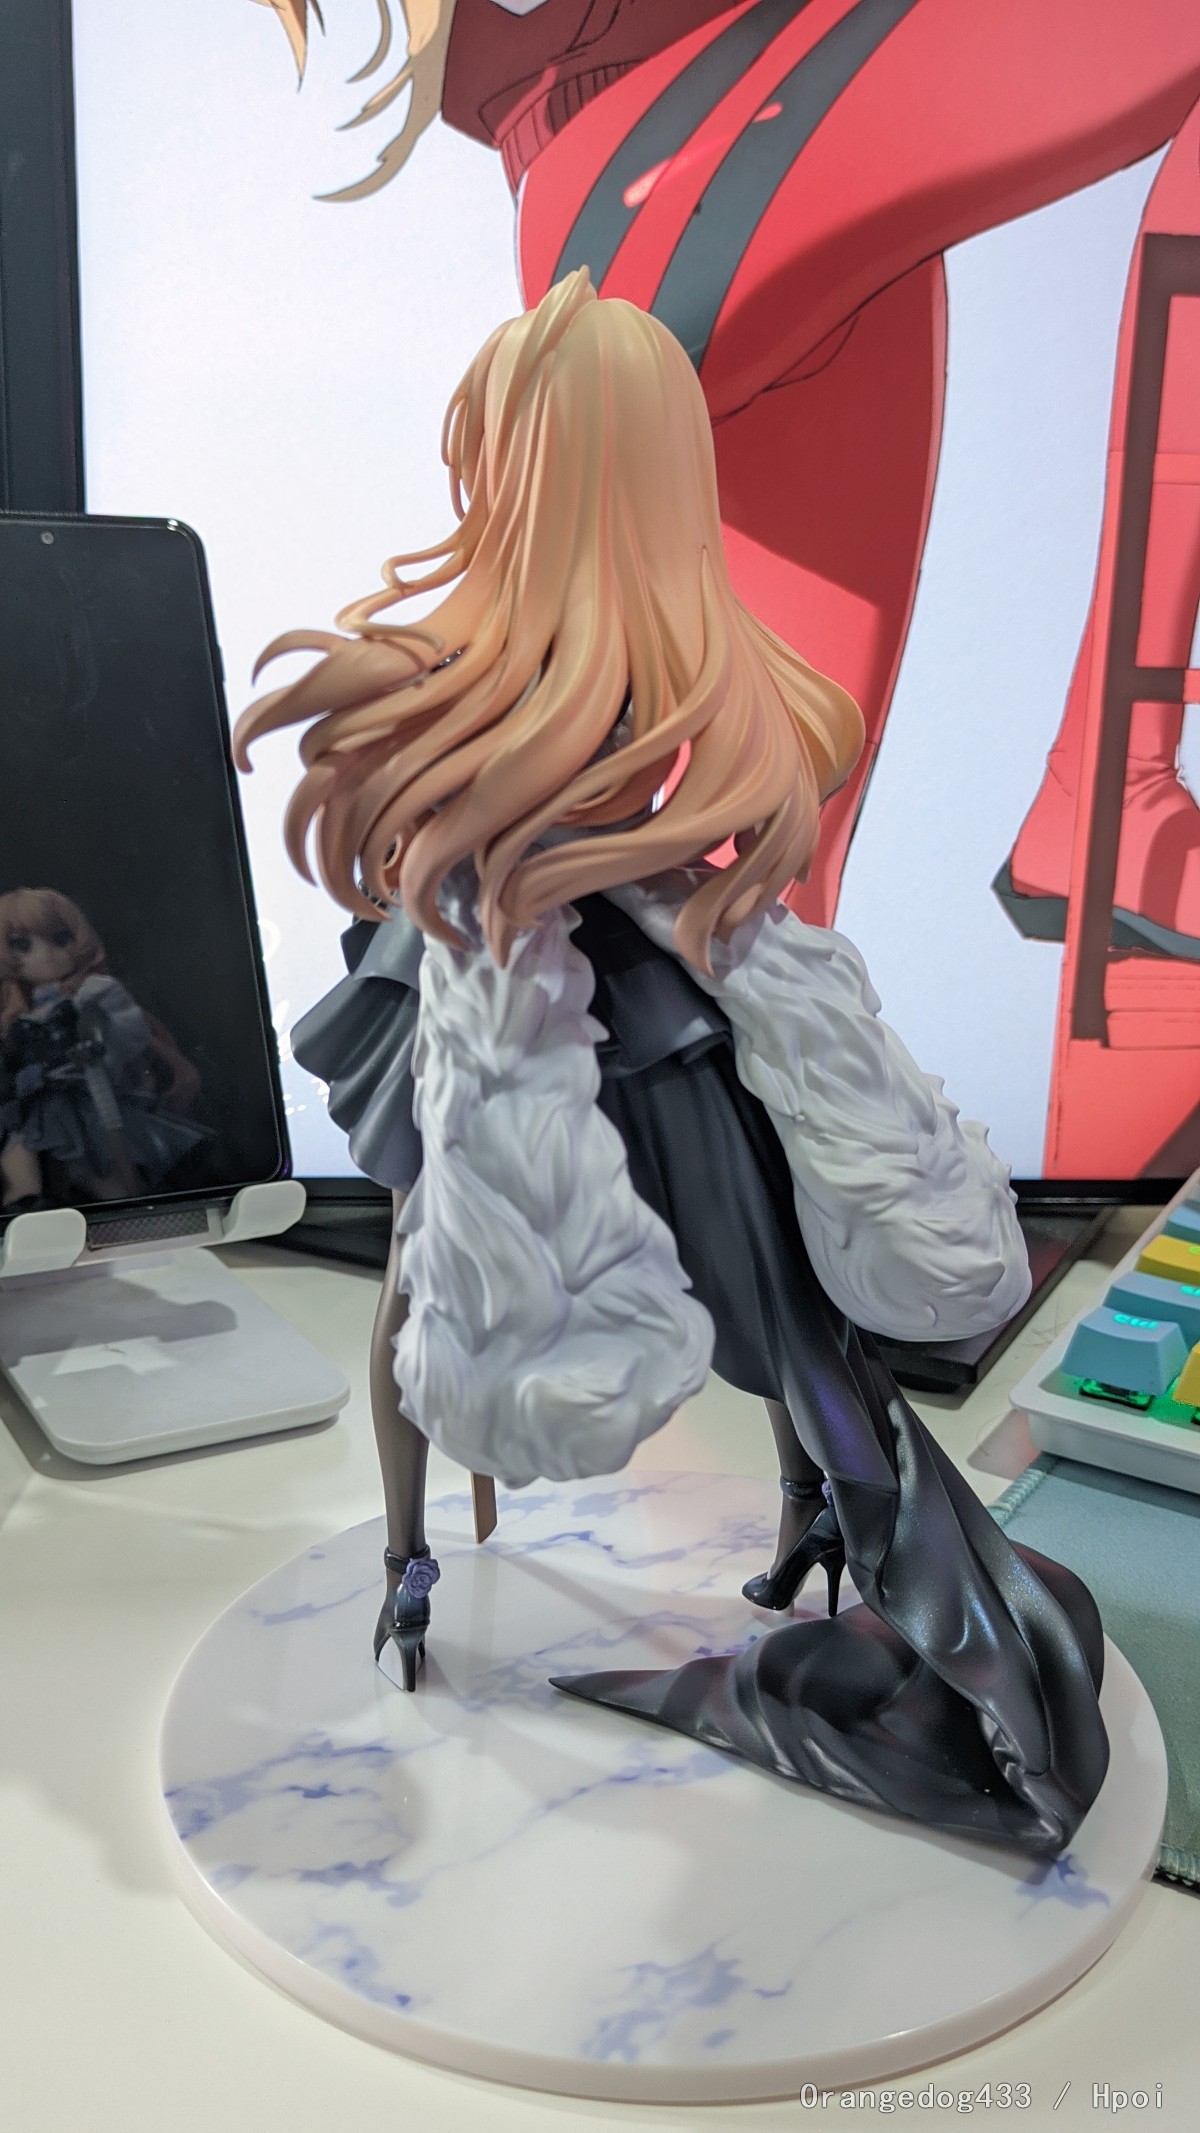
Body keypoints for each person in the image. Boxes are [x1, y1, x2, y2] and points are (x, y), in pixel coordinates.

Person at [236, 274, 1108, 1858]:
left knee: (748, 1290)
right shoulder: (580, 645)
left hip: (614, 1000)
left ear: (521, 451)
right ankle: (436, 1558)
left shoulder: (600, 649)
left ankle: (522, 1552)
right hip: (537, 997)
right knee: (580, 1282)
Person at [0, 888, 206, 1212]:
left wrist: (96, 1044)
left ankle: (124, 1210)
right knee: (19, 1151)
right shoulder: (21, 1012)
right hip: (38, 1102)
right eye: (22, 945)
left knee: (100, 1166)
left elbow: (128, 1032)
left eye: (61, 939)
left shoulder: (95, 992)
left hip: (86, 1097)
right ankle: (25, 1206)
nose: (47, 954)